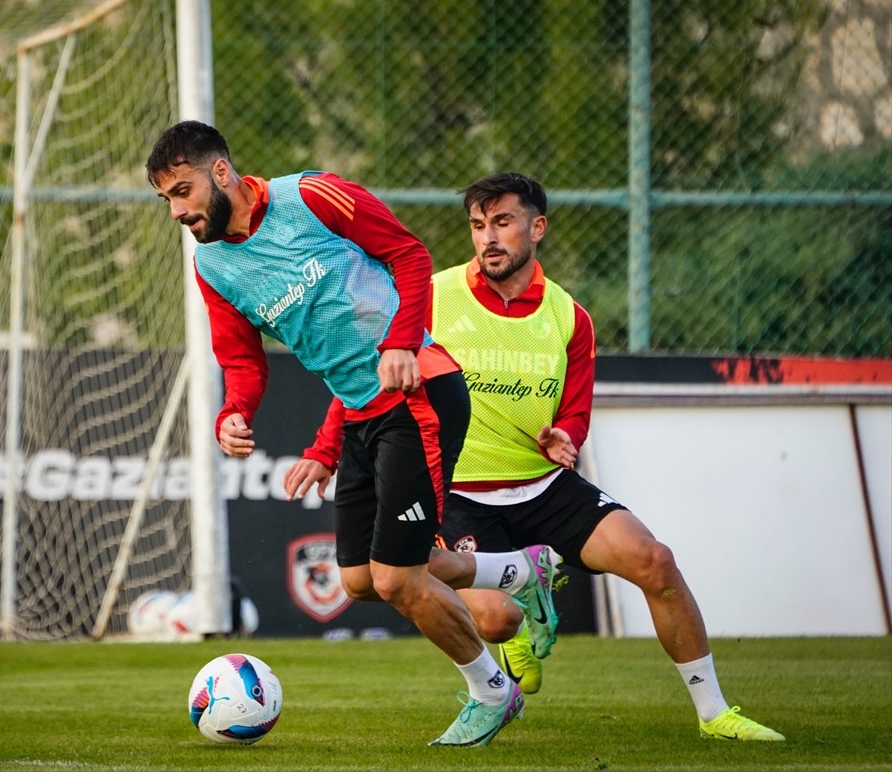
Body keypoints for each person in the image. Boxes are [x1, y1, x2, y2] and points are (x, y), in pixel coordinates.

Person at [285, 171, 785, 741]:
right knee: (496, 620)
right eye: (478, 226)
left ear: (537, 227)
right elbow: (365, 378)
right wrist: (325, 450)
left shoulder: (569, 318)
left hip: (542, 486)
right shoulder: (430, 296)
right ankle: (523, 585)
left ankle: (715, 715)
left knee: (656, 561)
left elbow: (576, 411)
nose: (488, 238)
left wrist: (564, 435)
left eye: (502, 222)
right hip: (459, 493)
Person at [146, 123, 560, 747]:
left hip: (419, 394)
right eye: (166, 200)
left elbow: (411, 256)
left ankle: (491, 693)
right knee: (363, 580)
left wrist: (400, 344)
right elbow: (242, 360)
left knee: (398, 578)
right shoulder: (213, 265)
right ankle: (523, 571)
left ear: (222, 173)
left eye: (184, 190)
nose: (178, 211)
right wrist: (235, 413)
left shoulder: (313, 197)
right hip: (361, 413)